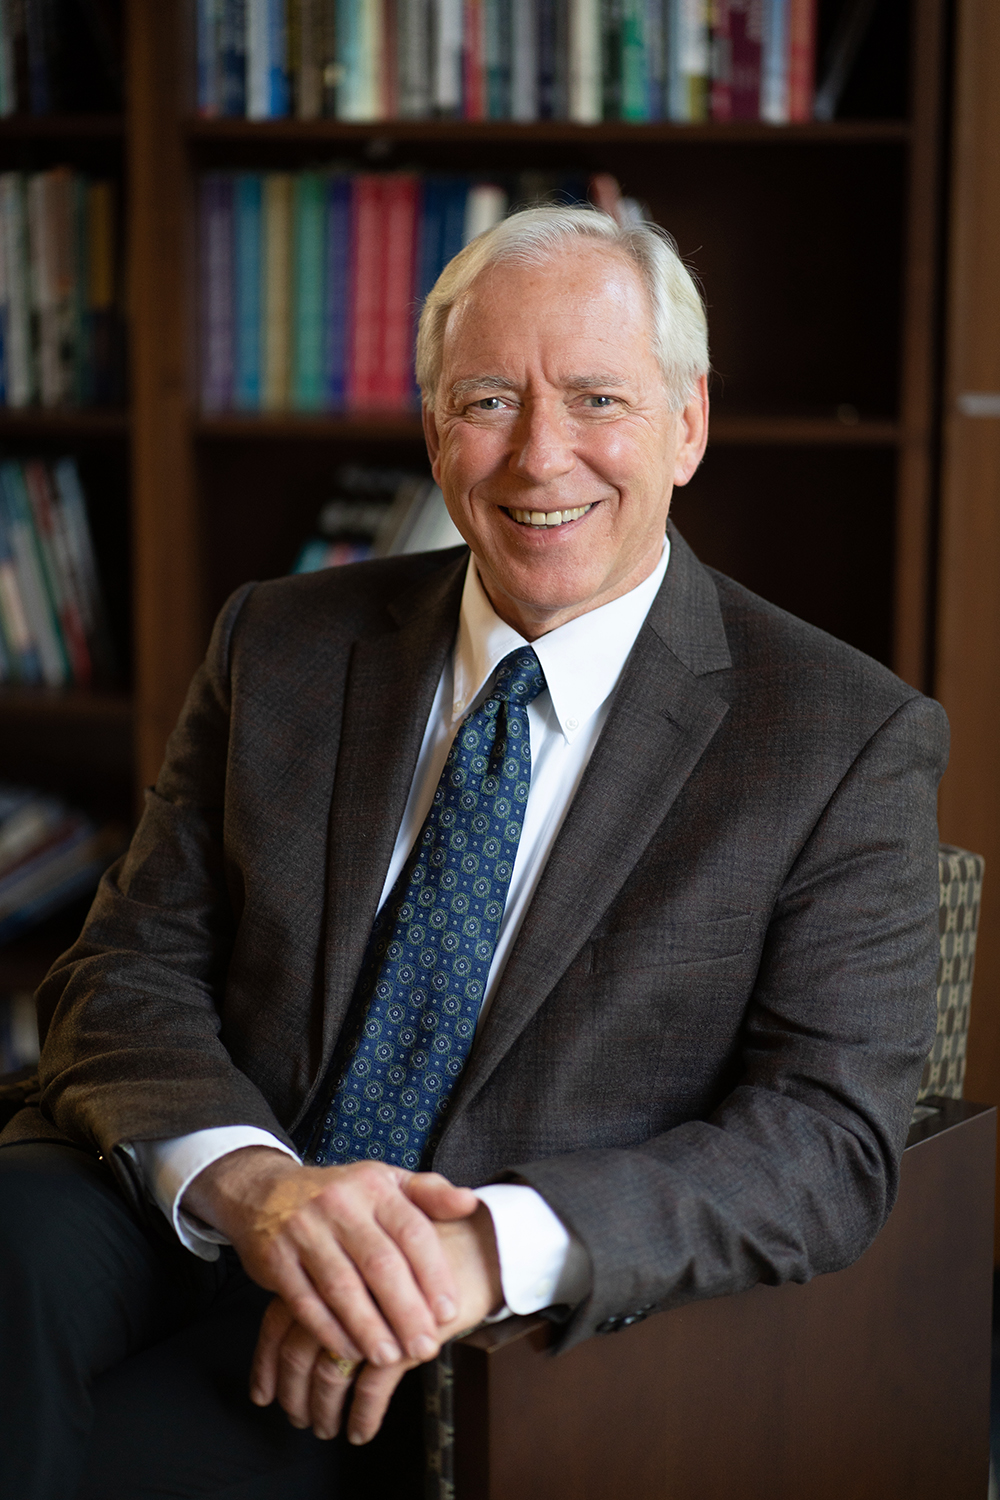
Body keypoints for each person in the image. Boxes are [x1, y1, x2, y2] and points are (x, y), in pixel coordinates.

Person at [0, 206, 947, 1500]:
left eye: (600, 399)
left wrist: (483, 1256)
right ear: (435, 427)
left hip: (469, 1324)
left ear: (689, 423)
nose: (540, 456)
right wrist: (260, 1189)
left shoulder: (840, 738)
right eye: (490, 399)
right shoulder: (279, 641)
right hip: (201, 1191)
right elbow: (123, 976)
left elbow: (826, 1142)